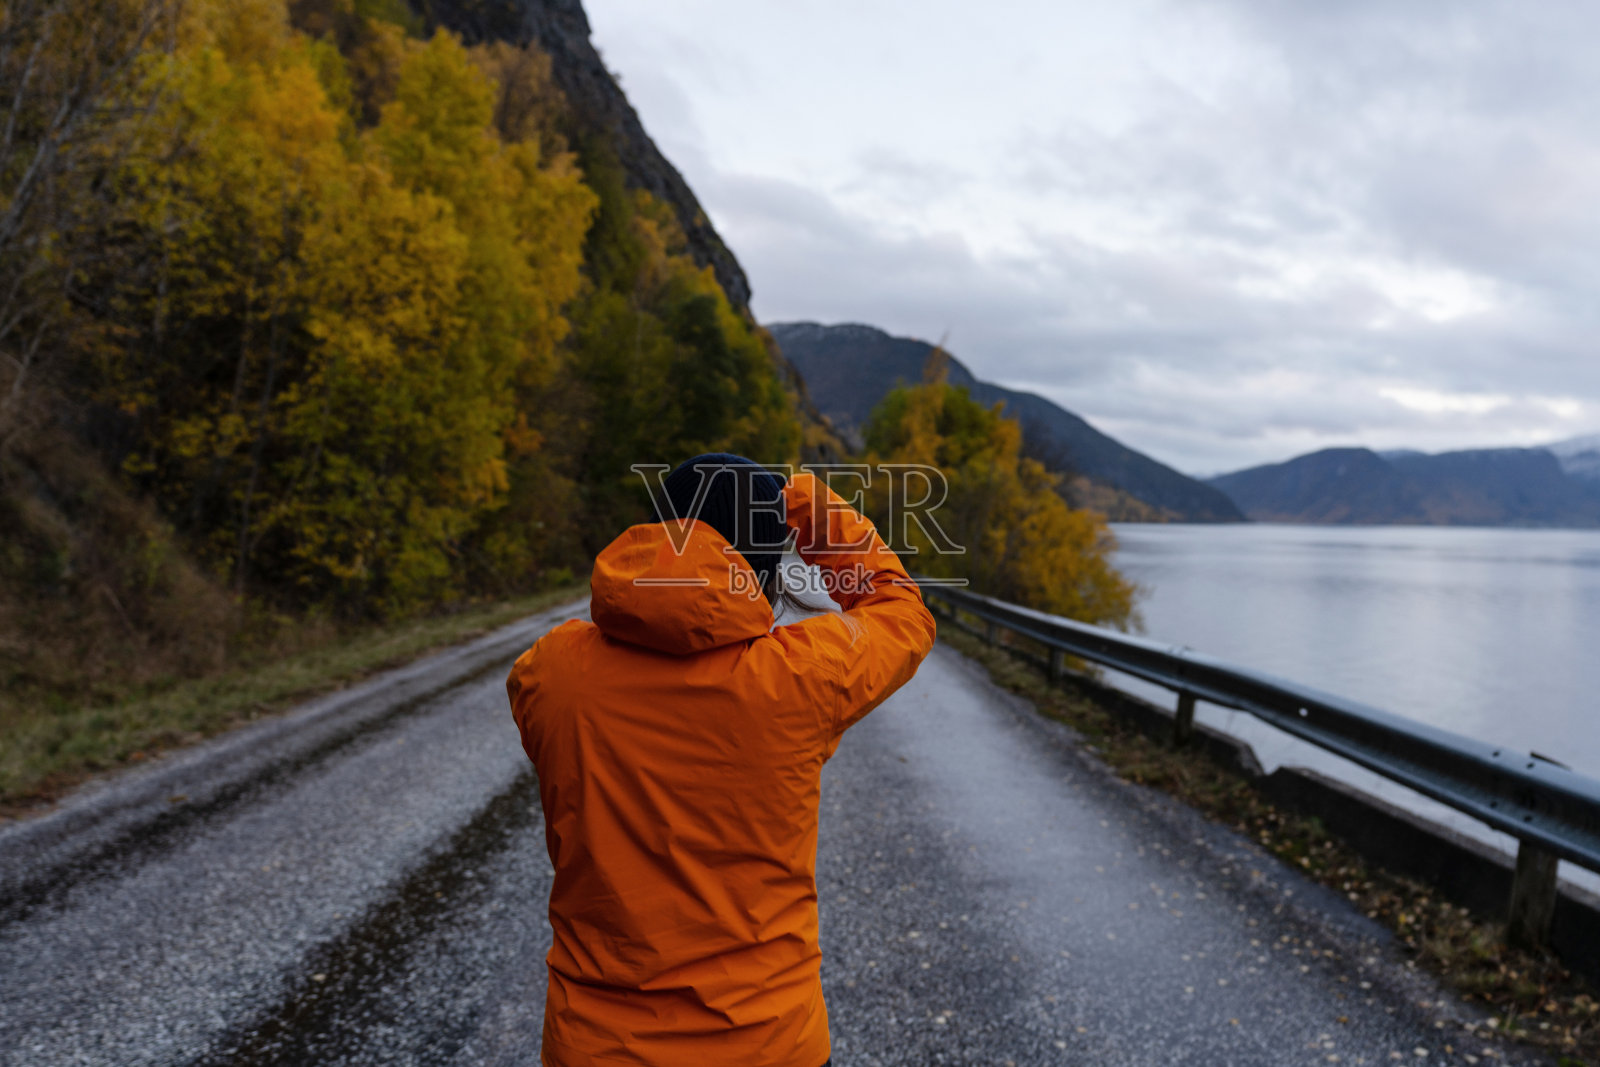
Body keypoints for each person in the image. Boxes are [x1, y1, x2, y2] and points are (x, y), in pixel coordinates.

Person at [506, 453, 936, 1067]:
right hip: (770, 1041)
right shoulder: (800, 677)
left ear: (654, 533)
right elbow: (902, 609)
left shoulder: (552, 673)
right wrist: (806, 504)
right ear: (765, 567)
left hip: (597, 1045)